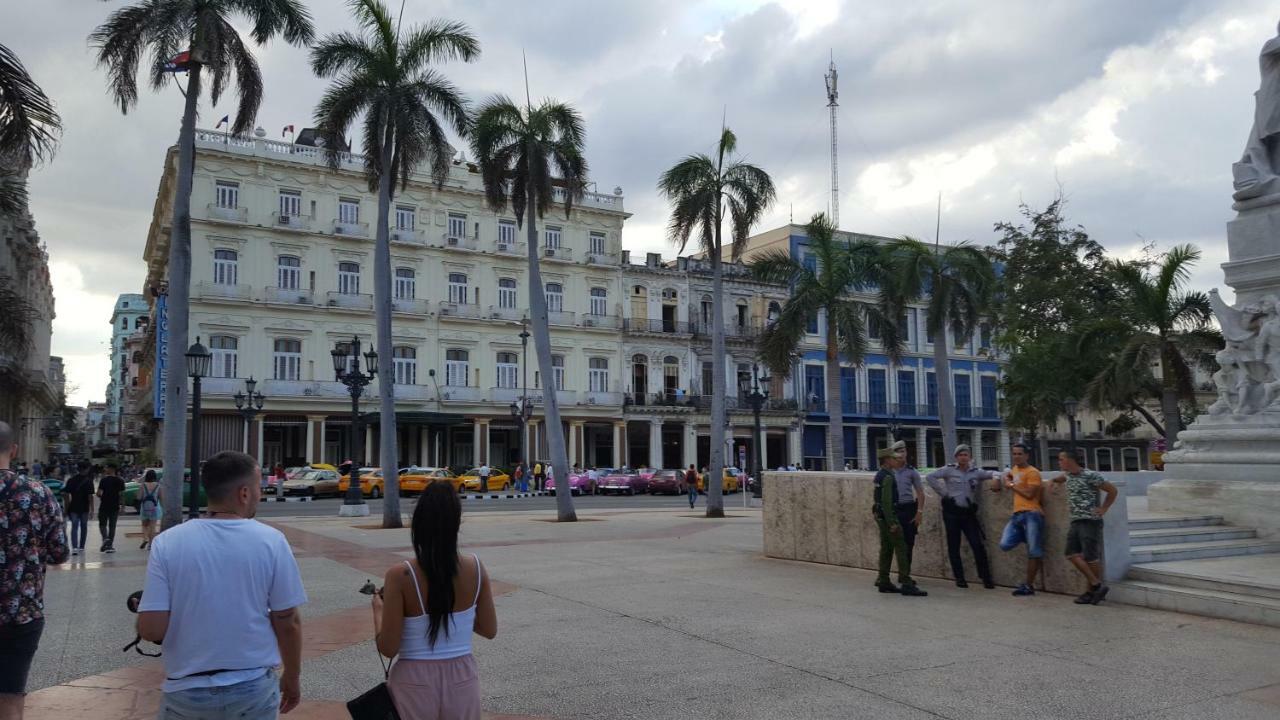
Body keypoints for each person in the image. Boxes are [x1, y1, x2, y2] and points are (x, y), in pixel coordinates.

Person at [138, 451, 307, 717]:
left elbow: (151, 628)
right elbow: (288, 620)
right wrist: (293, 677)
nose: (259, 495)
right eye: (258, 488)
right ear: (244, 493)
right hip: (252, 688)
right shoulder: (272, 541)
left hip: (186, 692)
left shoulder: (167, 542)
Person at [373, 481, 497, 719]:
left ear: (418, 524)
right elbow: (489, 629)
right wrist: (456, 615)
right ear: (457, 524)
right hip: (462, 677)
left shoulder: (400, 575)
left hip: (413, 679)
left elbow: (388, 648)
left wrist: (378, 610)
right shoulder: (476, 568)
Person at [0, 421, 69, 717]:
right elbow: (59, 553)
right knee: (11, 701)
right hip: (22, 614)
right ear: (13, 450)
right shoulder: (39, 493)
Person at [1049, 450, 1119, 605]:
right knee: (1071, 553)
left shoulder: (1090, 475)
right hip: (1076, 520)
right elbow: (1060, 478)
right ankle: (1096, 585)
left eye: (1061, 459)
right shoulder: (1067, 476)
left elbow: (1112, 490)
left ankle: (1091, 591)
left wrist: (1104, 508)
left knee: (1090, 557)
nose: (1059, 462)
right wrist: (1053, 480)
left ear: (1070, 460)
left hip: (1089, 520)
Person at [925, 444, 995, 589]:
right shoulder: (949, 470)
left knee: (977, 545)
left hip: (967, 513)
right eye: (960, 455)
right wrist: (944, 494)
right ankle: (960, 577)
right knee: (953, 546)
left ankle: (985, 577)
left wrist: (1000, 478)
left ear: (970, 457)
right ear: (956, 457)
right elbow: (930, 477)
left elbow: (993, 474)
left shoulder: (975, 472)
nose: (963, 457)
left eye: (966, 455)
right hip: (952, 513)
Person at [872, 445, 926, 596]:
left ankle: (883, 580)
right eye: (893, 458)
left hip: (881, 517)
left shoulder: (879, 475)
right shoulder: (888, 477)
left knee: (886, 549)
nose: (896, 460)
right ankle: (906, 582)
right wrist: (892, 523)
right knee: (901, 548)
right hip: (890, 517)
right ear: (887, 460)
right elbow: (887, 502)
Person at [993, 443, 1045, 597]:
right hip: (1017, 515)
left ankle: (1028, 585)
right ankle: (1028, 538)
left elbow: (1030, 494)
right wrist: (1004, 478)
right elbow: (1008, 477)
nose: (1016, 456)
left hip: (1032, 514)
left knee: (1034, 552)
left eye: (1019, 454)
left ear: (1027, 456)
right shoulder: (1014, 470)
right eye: (1014, 454)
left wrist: (1011, 485)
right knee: (1005, 544)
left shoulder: (1033, 472)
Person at [890, 440, 925, 562]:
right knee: (896, 543)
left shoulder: (912, 471)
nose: (902, 454)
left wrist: (919, 512)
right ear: (893, 455)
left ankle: (906, 574)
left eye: (903, 451)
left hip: (909, 509)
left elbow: (920, 493)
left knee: (909, 541)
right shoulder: (889, 472)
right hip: (894, 509)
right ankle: (901, 572)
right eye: (899, 452)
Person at [63, 460, 95, 556]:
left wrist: (66, 508)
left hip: (73, 506)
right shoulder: (89, 481)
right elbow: (90, 497)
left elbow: (66, 494)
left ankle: (74, 547)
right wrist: (92, 510)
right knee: (84, 527)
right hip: (84, 507)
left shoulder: (71, 480)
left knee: (74, 526)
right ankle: (81, 546)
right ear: (86, 469)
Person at [96, 463, 126, 553]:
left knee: (102, 524)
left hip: (104, 505)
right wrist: (122, 507)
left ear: (111, 469)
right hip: (115, 506)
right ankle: (109, 545)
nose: (105, 469)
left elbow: (99, 493)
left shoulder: (103, 480)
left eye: (107, 467)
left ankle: (105, 539)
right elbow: (122, 495)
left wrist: (101, 496)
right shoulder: (120, 481)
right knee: (112, 526)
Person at [138, 469, 162, 549]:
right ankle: (151, 545)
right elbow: (161, 498)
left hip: (144, 507)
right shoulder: (158, 485)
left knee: (144, 525)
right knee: (152, 526)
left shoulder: (143, 485)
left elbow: (139, 497)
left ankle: (145, 538)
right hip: (154, 508)